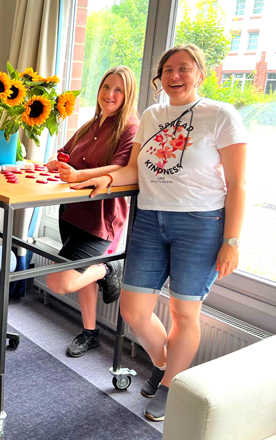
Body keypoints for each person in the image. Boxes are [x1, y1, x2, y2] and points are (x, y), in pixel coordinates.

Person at [72, 44, 247, 421]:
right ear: (160, 77)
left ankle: (170, 387)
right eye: (168, 69)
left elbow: (237, 184)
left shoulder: (221, 114)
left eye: (184, 68)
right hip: (151, 219)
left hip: (200, 223)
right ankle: (169, 366)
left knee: (184, 312)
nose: (175, 76)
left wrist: (231, 241)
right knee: (133, 309)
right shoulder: (152, 115)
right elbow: (133, 170)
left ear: (200, 74)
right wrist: (106, 179)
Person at [44, 66, 139, 358]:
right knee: (80, 275)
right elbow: (66, 154)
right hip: (73, 212)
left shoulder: (130, 127)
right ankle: (90, 333)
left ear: (128, 95)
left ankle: (109, 268)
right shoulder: (91, 124)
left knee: (59, 281)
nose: (109, 94)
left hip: (101, 217)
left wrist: (78, 174)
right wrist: (57, 163)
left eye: (118, 89)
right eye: (106, 87)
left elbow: (120, 168)